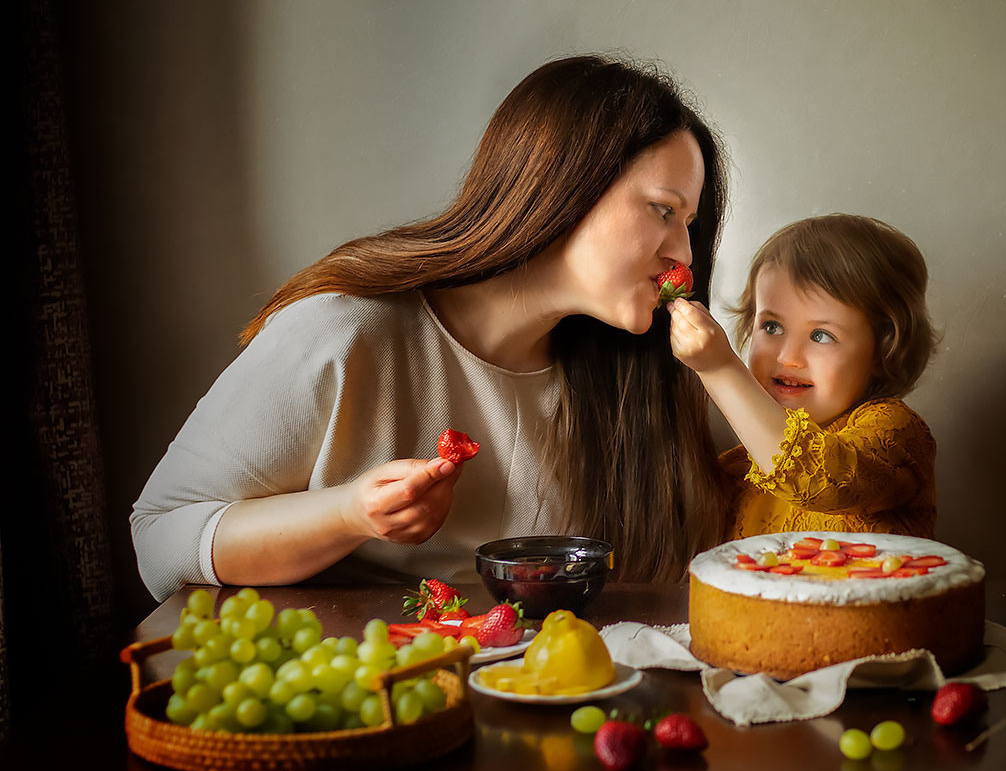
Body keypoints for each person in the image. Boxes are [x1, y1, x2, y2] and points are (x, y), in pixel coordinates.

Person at [132, 54, 731, 603]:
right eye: (662, 210)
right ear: (568, 185)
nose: (684, 253)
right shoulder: (345, 331)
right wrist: (348, 514)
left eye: (689, 224)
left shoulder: (642, 378)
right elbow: (158, 538)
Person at [667, 213, 939, 541]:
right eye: (772, 327)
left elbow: (821, 478)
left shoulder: (894, 432)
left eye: (821, 335)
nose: (788, 358)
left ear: (882, 351)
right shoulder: (738, 469)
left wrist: (719, 369)